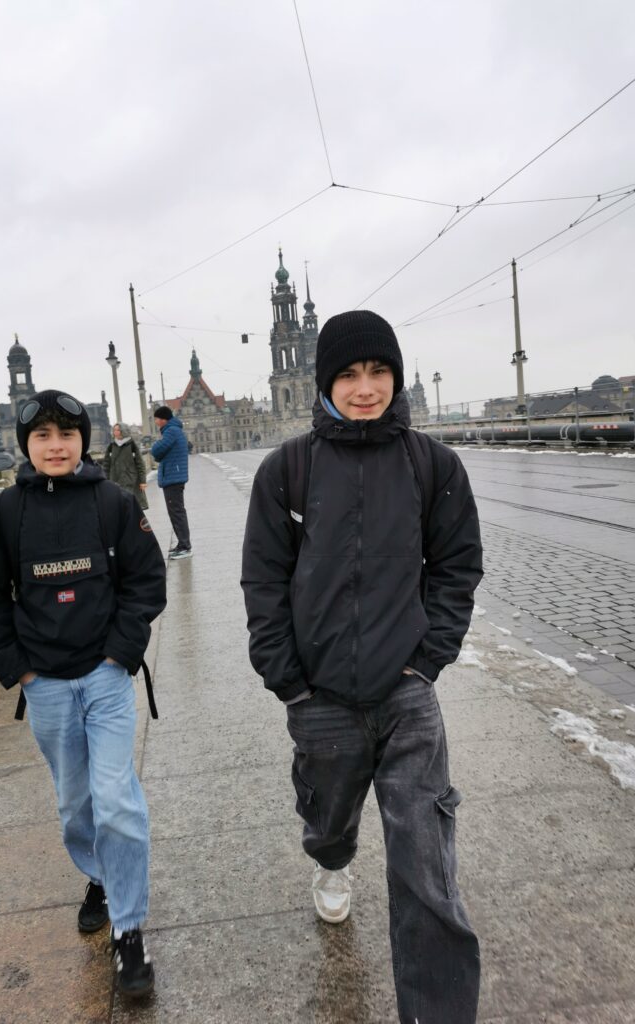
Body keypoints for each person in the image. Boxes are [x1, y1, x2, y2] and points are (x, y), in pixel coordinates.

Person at [241, 311, 483, 1023]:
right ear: (325, 383)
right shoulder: (286, 470)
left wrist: (428, 660)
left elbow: (457, 566)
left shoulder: (433, 465)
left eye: (379, 372)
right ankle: (331, 860)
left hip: (407, 695)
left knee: (427, 870)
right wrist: (289, 679)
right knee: (329, 821)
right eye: (348, 374)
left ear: (396, 378)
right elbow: (263, 580)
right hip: (320, 697)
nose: (366, 387)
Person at [0, 390, 166, 998]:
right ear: (26, 445)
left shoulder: (113, 503)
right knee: (76, 805)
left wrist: (120, 654)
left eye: (68, 435)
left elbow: (146, 580)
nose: (56, 446)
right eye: (43, 436)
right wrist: (19, 670)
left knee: (117, 800)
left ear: (83, 441)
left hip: (105, 679)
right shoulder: (1, 515)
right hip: (46, 687)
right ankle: (100, 875)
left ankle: (128, 929)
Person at [150, 406, 192, 560]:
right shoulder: (173, 430)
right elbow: (161, 453)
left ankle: (185, 546)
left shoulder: (171, 431)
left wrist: (156, 446)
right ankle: (182, 544)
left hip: (173, 477)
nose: (155, 422)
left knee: (177, 513)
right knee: (176, 512)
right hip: (174, 476)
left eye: (156, 419)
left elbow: (156, 451)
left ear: (163, 419)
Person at [103, 421, 149, 510]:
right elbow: (106, 465)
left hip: (131, 481)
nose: (115, 432)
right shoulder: (111, 446)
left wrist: (143, 481)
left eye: (118, 430)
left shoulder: (132, 445)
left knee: (131, 507)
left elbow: (140, 464)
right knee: (119, 508)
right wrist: (106, 481)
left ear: (123, 431)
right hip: (115, 481)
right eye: (114, 430)